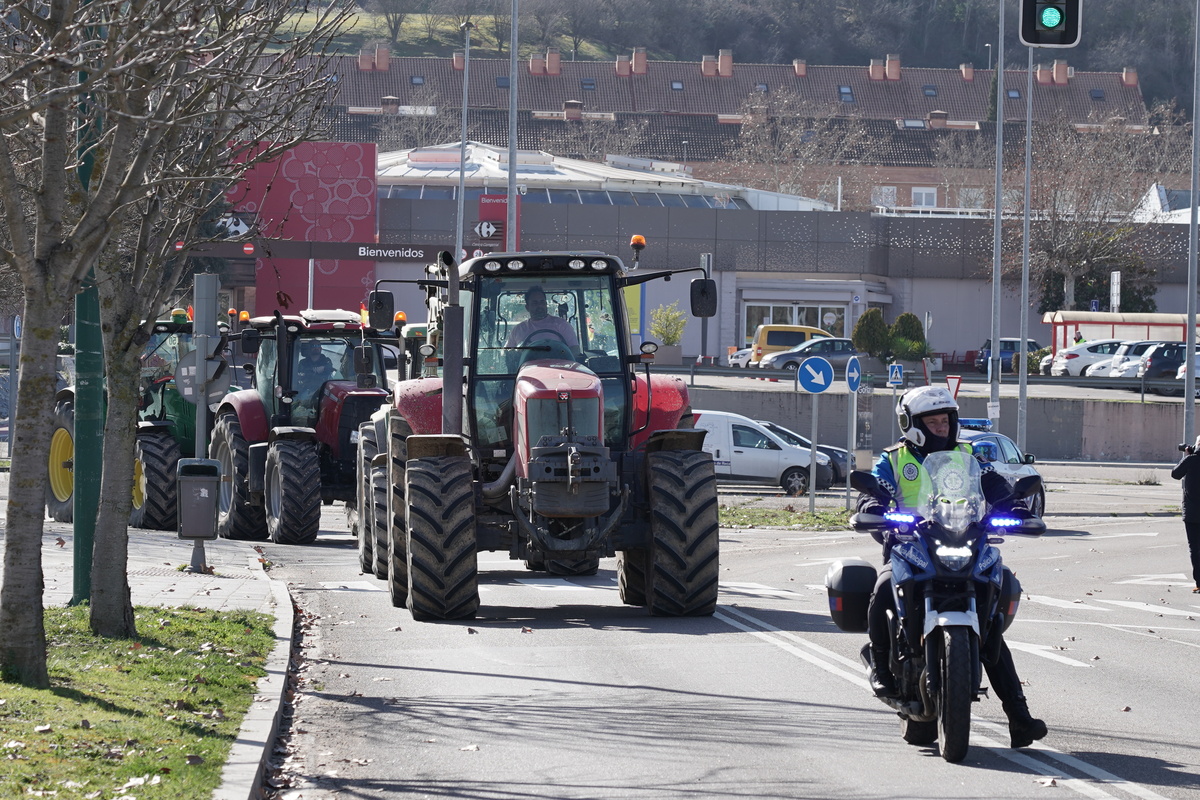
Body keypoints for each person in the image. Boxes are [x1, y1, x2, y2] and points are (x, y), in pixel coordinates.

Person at [857, 385, 1048, 749]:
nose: (942, 427)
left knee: (991, 628)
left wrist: (1016, 508)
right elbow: (877, 488)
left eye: (946, 420)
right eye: (934, 421)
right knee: (881, 588)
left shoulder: (968, 454)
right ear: (913, 424)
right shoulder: (894, 458)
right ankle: (881, 670)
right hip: (910, 546)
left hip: (966, 541)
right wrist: (872, 506)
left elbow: (994, 485)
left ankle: (1019, 718)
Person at [1170, 435, 1200, 594]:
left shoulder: (1191, 460)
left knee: (1195, 548)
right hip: (1193, 513)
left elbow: (1175, 474)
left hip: (1193, 513)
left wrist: (1188, 455)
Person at [505, 286, 578, 349]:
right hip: (527, 364)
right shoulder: (518, 330)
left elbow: (575, 349)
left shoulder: (561, 325)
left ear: (546, 304)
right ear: (527, 307)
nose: (539, 306)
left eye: (542, 302)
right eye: (535, 303)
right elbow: (507, 352)